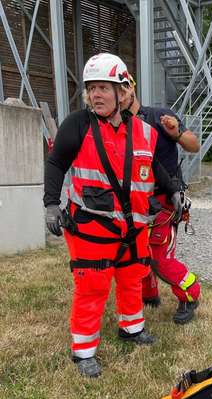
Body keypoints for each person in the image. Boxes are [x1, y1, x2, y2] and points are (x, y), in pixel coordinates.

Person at [43, 53, 158, 378]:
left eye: (103, 88)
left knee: (132, 279)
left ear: (123, 92)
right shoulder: (78, 125)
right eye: (91, 88)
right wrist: (52, 203)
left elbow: (154, 168)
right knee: (92, 287)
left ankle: (132, 328)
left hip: (133, 228)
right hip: (92, 227)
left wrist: (174, 188)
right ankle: (83, 351)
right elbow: (56, 163)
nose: (96, 95)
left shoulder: (144, 132)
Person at [120, 75, 201, 324]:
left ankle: (190, 294)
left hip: (166, 200)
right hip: (134, 200)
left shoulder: (160, 117)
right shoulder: (115, 126)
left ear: (132, 88)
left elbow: (194, 145)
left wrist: (176, 134)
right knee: (135, 251)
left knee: (159, 258)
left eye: (121, 91)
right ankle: (149, 295)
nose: (118, 97)